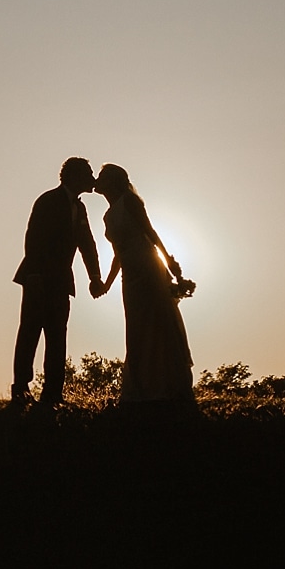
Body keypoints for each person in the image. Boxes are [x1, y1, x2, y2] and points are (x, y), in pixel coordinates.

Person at [92, 163, 195, 402]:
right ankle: (142, 385)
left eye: (103, 176)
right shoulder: (108, 214)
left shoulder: (130, 202)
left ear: (114, 181)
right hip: (130, 275)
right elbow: (119, 252)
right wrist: (107, 284)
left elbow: (150, 232)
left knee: (158, 323)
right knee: (137, 327)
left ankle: (169, 384)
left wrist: (168, 261)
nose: (98, 179)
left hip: (148, 269)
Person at [11, 157, 105, 406]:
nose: (93, 179)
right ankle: (20, 388)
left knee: (57, 337)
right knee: (30, 332)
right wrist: (34, 275)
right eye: (89, 174)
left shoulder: (80, 208)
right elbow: (33, 239)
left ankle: (53, 393)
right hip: (38, 279)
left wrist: (95, 276)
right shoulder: (48, 201)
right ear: (74, 176)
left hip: (62, 280)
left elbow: (87, 244)